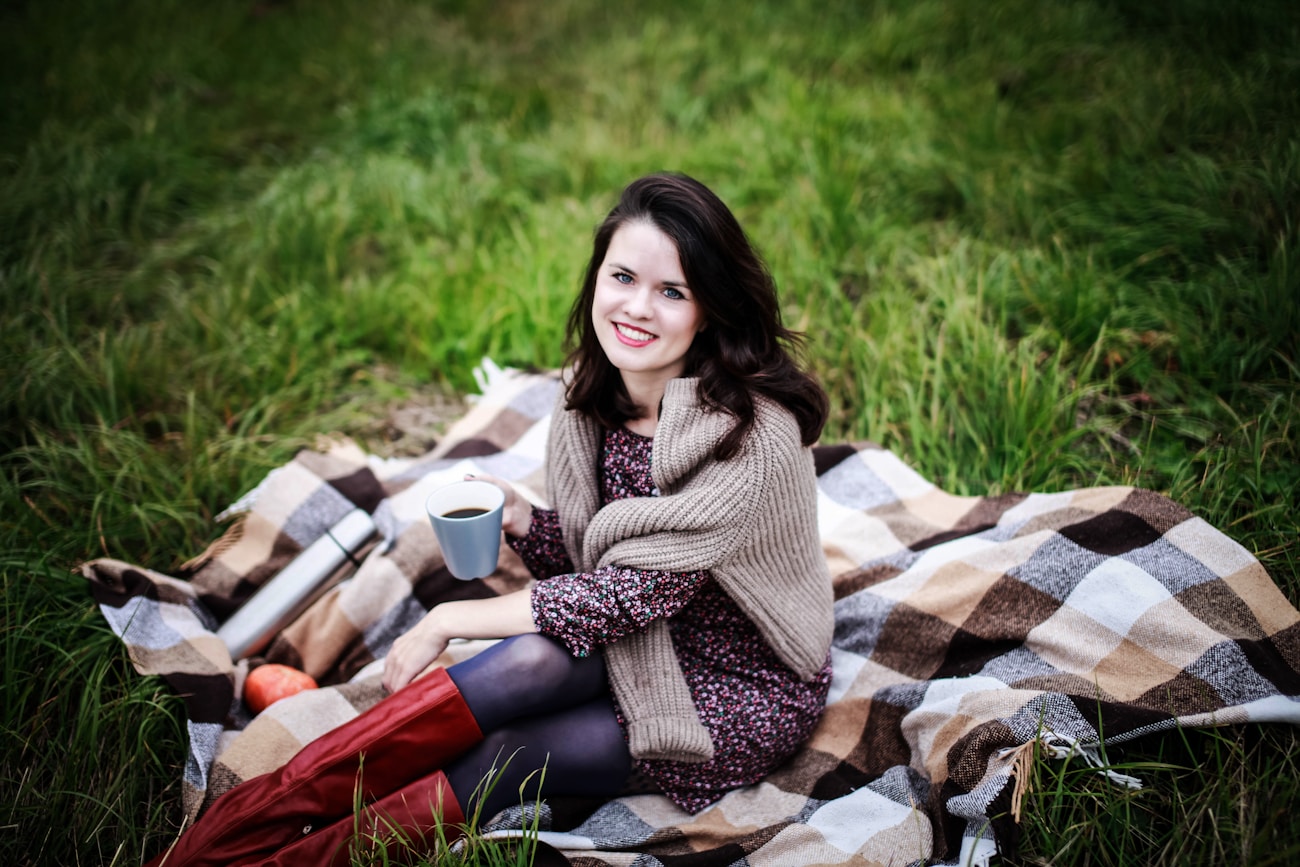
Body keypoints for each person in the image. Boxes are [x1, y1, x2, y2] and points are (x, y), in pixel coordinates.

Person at [146, 173, 835, 866]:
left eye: (672, 292)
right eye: (623, 277)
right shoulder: (591, 395)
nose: (637, 307)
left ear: (709, 309)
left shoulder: (747, 438)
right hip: (640, 635)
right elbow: (597, 560)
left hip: (736, 684)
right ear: (597, 276)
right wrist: (525, 519)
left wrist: (449, 620)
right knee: (527, 662)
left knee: (508, 751)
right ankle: (235, 830)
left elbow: (626, 594)